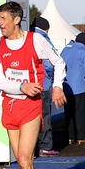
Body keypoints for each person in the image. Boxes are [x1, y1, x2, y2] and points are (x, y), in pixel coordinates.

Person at [0, 1, 66, 169]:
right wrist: (21, 86)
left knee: (24, 159)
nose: (0, 23)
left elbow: (59, 61)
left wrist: (57, 86)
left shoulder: (36, 40)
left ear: (16, 19)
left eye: (3, 18)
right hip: (10, 106)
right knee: (24, 165)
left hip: (31, 106)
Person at [60, 33, 85, 145]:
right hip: (79, 87)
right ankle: (82, 137)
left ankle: (70, 137)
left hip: (66, 86)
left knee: (69, 114)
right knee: (80, 113)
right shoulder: (84, 52)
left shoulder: (65, 50)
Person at [29, 16, 60, 157]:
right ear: (46, 29)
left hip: (27, 85)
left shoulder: (25, 36)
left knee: (29, 117)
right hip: (43, 84)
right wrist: (53, 78)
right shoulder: (43, 39)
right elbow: (50, 63)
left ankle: (31, 147)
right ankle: (45, 146)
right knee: (44, 116)